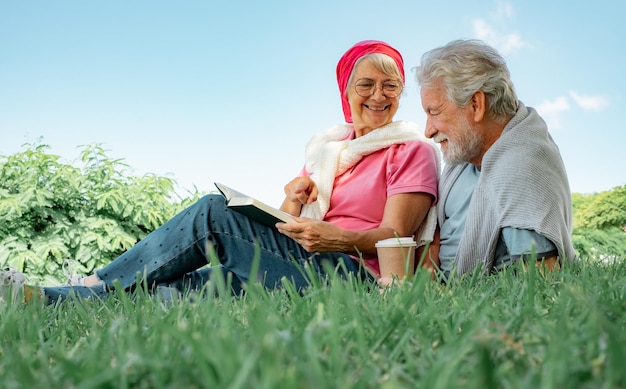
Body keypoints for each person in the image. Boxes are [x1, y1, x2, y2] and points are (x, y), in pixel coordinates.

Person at [7, 40, 439, 304]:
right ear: (347, 91)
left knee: (213, 212)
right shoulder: (328, 151)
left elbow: (396, 236)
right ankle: (42, 300)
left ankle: (97, 278)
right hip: (307, 260)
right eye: (366, 84)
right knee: (179, 284)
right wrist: (292, 200)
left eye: (391, 85)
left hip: (356, 277)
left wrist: (339, 238)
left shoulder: (410, 149)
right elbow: (293, 225)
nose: (379, 95)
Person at [413, 39, 577, 280]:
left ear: (476, 105)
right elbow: (435, 235)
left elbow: (540, 284)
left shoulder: (520, 167)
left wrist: (451, 300)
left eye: (434, 112)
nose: (427, 131)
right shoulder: (462, 162)